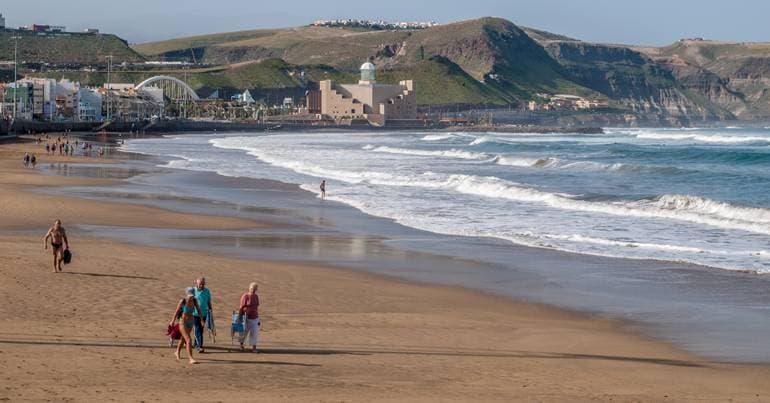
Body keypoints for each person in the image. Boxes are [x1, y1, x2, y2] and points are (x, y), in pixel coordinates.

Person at [169, 287, 202, 364]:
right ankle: (191, 358)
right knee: (188, 339)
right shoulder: (182, 301)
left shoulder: (194, 300)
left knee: (183, 339)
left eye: (192, 295)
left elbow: (198, 310)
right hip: (182, 322)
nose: (191, 296)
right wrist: (172, 321)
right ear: (187, 294)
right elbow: (176, 311)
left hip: (191, 322)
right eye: (190, 295)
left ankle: (177, 352)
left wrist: (201, 319)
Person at [192, 277, 213, 353]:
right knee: (197, 329)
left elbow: (208, 301)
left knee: (200, 330)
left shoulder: (207, 291)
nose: (202, 285)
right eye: (200, 284)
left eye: (203, 284)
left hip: (204, 314)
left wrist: (210, 310)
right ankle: (199, 346)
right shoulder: (193, 290)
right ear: (197, 283)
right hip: (194, 314)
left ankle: (195, 344)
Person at [238, 282, 260, 352]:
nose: (253, 290)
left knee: (254, 333)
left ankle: (254, 348)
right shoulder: (245, 296)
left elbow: (256, 308)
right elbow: (241, 307)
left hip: (255, 317)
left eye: (255, 289)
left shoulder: (256, 296)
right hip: (246, 318)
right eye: (252, 288)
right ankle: (241, 345)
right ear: (249, 288)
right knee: (244, 333)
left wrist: (258, 319)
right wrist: (239, 317)